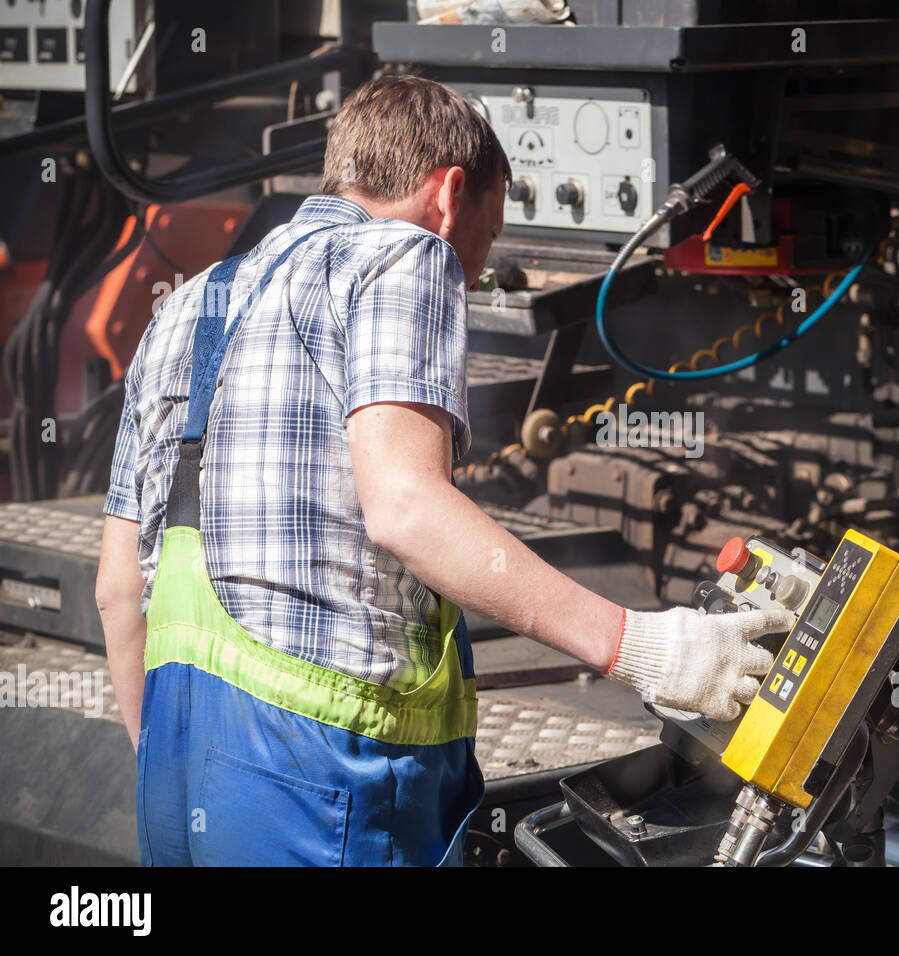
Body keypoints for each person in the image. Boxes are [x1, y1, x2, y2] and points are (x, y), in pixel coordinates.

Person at [94, 74, 792, 866]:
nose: (469, 270)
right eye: (485, 243)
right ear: (450, 196)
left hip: (174, 774)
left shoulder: (187, 305)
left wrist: (185, 778)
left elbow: (119, 590)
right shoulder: (406, 252)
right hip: (324, 781)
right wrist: (641, 648)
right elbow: (404, 506)